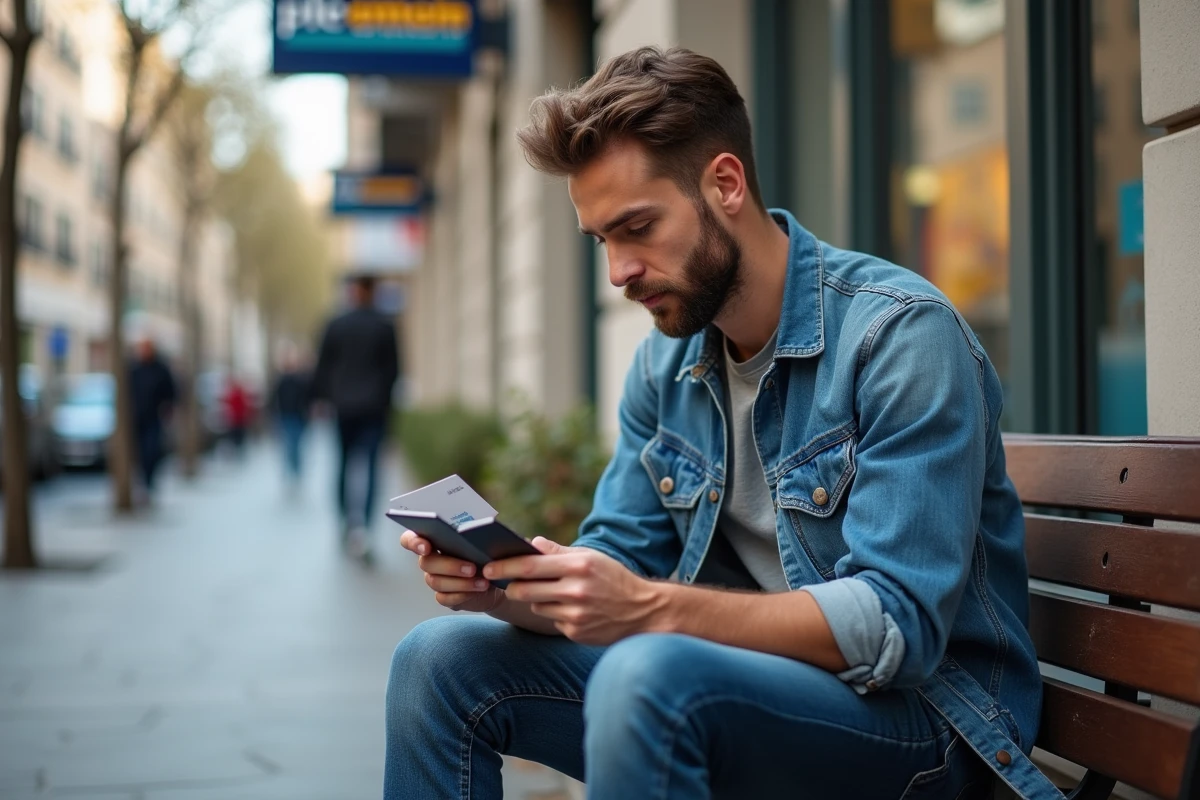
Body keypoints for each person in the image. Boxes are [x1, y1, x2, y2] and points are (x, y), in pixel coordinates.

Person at [386, 47, 1053, 800]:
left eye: (638, 227)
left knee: (649, 674)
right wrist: (508, 591)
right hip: (741, 695)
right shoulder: (663, 365)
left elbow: (896, 628)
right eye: (602, 240)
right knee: (438, 660)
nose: (618, 271)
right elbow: (621, 553)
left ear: (725, 184)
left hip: (929, 725)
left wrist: (649, 608)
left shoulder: (899, 337)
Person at [312, 275, 400, 561]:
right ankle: (364, 529)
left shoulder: (336, 324)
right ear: (372, 292)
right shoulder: (384, 325)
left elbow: (322, 367)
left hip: (344, 408)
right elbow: (394, 370)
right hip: (374, 409)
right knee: (371, 469)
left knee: (343, 466)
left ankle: (346, 523)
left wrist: (325, 399)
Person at [128, 334, 176, 500]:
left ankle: (149, 482)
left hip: (154, 418)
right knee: (140, 453)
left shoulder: (161, 369)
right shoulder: (134, 369)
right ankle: (143, 482)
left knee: (152, 450)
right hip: (136, 418)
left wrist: (167, 410)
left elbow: (171, 392)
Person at [270, 345, 313, 490]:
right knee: (289, 446)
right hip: (286, 416)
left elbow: (306, 398)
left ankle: (295, 472)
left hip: (298, 417)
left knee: (295, 446)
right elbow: (274, 399)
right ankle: (290, 473)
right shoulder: (281, 381)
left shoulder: (300, 380)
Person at [221, 374, 252, 458]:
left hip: (239, 419)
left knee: (239, 436)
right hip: (235, 419)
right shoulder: (233, 393)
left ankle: (239, 451)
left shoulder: (238, 393)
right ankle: (238, 451)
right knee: (237, 436)